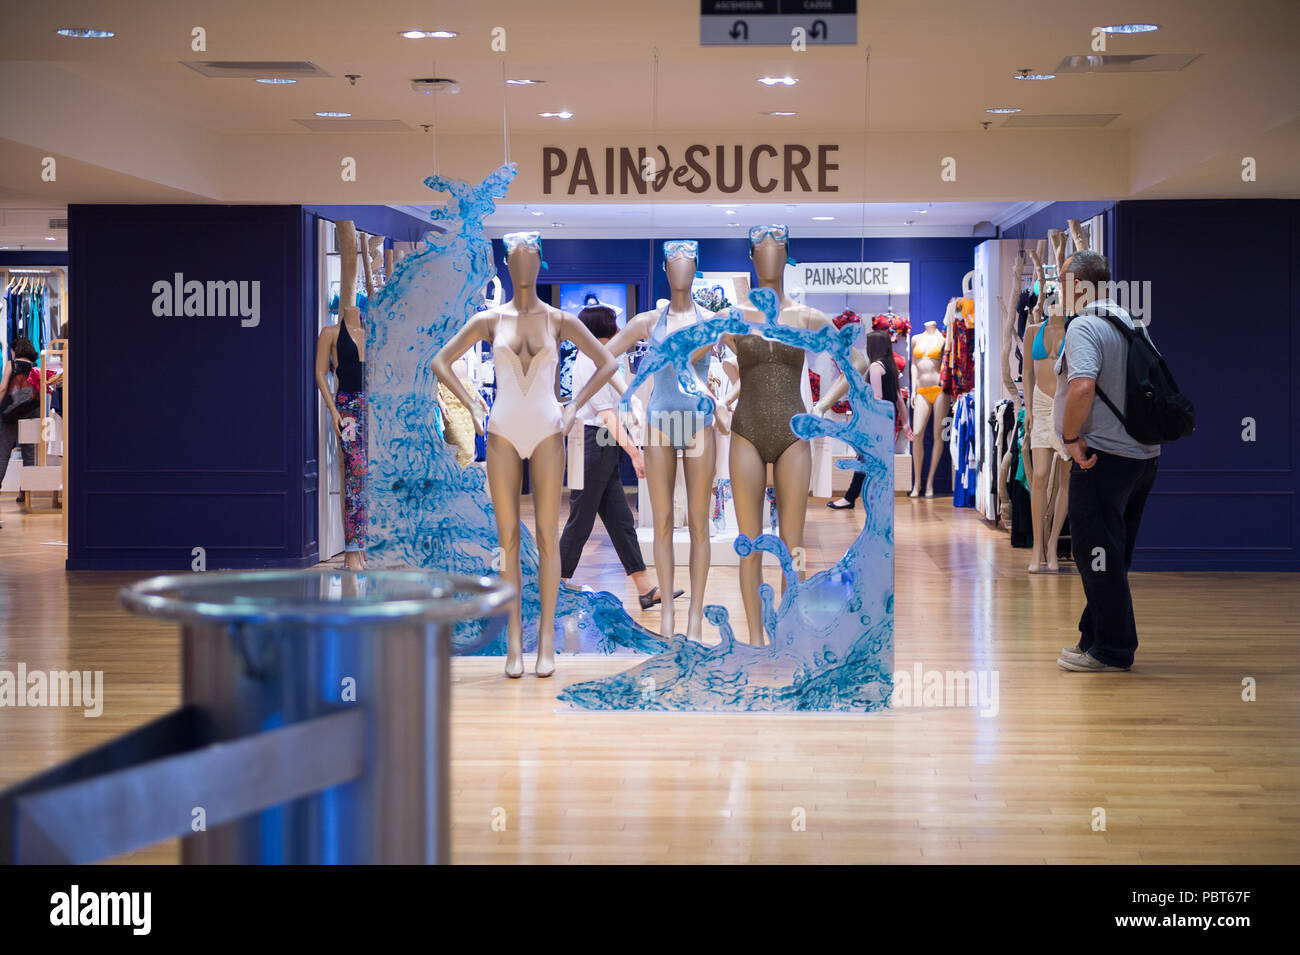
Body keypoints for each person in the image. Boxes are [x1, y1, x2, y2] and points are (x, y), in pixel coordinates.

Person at [1053, 250, 1161, 672]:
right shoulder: (1131, 322)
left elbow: (1081, 388)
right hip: (1141, 457)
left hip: (1103, 458)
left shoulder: (1086, 326)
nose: (1058, 290)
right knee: (1110, 554)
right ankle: (1093, 638)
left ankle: (1113, 650)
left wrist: (1070, 437)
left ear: (1079, 284)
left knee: (1095, 551)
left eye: (1063, 281)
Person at [558, 306, 679, 611]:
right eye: (614, 324)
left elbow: (624, 398)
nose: (619, 329)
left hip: (598, 444)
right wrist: (636, 454)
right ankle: (554, 585)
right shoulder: (588, 361)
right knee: (580, 519)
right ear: (603, 328)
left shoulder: (603, 358)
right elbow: (607, 416)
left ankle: (645, 588)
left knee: (621, 520)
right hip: (588, 442)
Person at [828, 330, 913, 510]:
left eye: (868, 344)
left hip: (877, 422)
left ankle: (852, 498)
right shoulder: (891, 366)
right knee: (873, 461)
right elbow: (899, 399)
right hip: (889, 422)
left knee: (865, 460)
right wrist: (905, 425)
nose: (866, 348)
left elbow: (877, 397)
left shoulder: (875, 367)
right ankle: (863, 498)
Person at [0, 337, 42, 505]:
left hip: (11, 412)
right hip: (32, 411)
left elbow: (3, 387)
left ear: (16, 350)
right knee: (29, 453)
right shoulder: (36, 368)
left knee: (3, 452)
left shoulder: (12, 364)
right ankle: (25, 492)